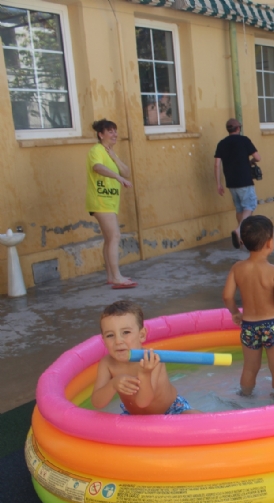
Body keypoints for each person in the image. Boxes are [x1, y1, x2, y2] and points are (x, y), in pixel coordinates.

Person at [222, 216, 274, 397]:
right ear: (269, 243)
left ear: (243, 242)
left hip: (249, 326)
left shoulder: (237, 268)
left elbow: (227, 296)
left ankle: (244, 397)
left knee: (249, 369)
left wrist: (235, 313)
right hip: (272, 326)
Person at [91, 300, 200, 415]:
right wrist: (113, 384)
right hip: (134, 415)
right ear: (103, 340)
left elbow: (143, 402)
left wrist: (144, 374)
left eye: (126, 332)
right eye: (110, 335)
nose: (118, 341)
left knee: (196, 417)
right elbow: (97, 403)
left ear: (141, 335)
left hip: (171, 410)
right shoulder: (107, 363)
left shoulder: (152, 359)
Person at [86, 119, 136, 289]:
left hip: (109, 201)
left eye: (115, 131)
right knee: (115, 236)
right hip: (101, 200)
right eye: (110, 131)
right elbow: (97, 167)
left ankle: (111, 276)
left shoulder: (109, 152)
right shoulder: (97, 150)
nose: (114, 134)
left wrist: (114, 156)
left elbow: (127, 172)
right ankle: (116, 277)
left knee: (109, 239)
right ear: (101, 135)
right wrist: (117, 177)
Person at [214, 118, 261, 249]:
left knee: (240, 208)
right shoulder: (244, 140)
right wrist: (250, 161)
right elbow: (258, 157)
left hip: (231, 182)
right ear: (238, 128)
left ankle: (241, 237)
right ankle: (239, 230)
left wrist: (218, 184)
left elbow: (217, 164)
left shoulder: (221, 143)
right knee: (250, 205)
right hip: (244, 180)